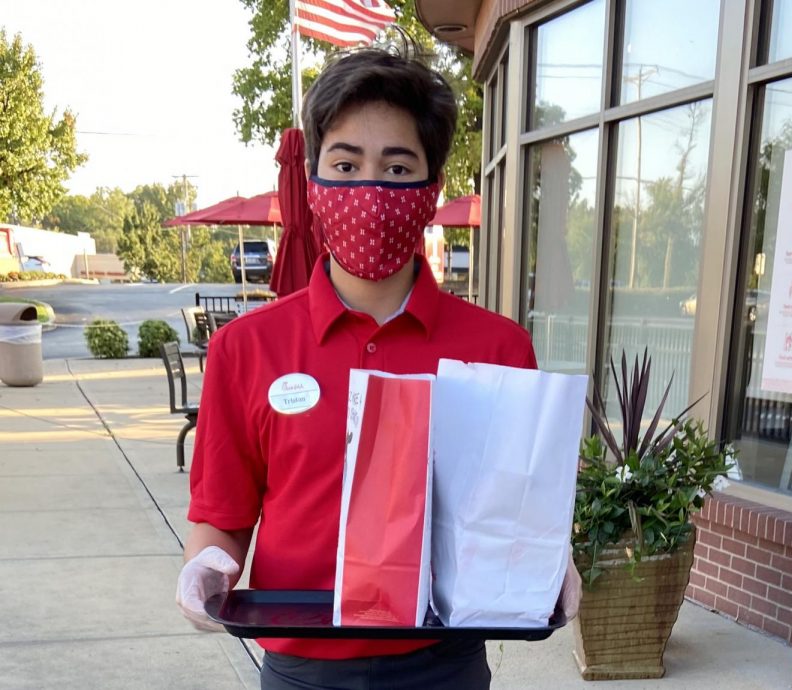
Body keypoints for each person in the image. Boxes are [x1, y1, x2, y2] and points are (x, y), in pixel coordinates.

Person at [176, 45, 580, 690]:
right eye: (345, 163)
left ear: (431, 188)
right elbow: (223, 512)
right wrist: (207, 567)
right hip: (300, 667)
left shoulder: (498, 350)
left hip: (444, 665)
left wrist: (548, 561)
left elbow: (513, 509)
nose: (370, 189)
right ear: (314, 181)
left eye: (398, 167)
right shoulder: (245, 348)